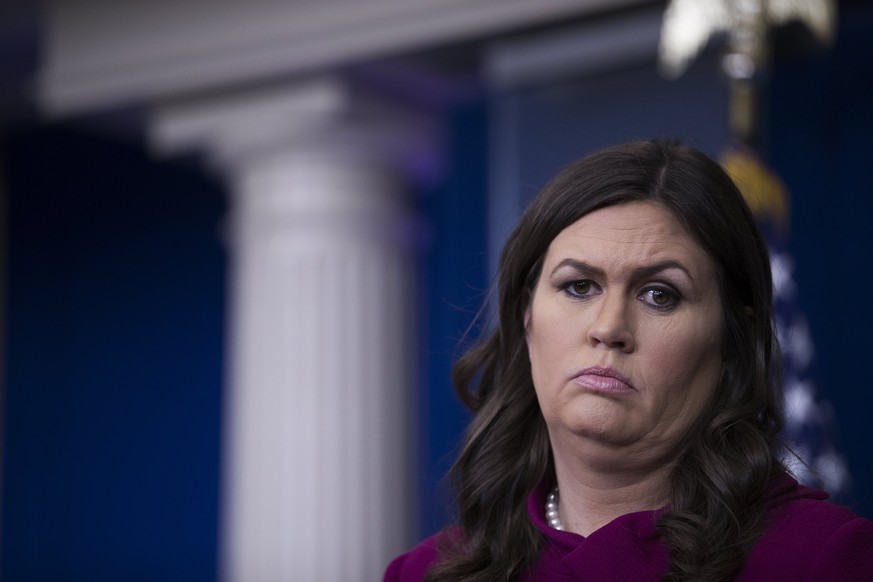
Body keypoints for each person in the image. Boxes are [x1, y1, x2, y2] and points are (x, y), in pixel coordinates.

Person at [385, 139, 873, 581]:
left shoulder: (824, 560)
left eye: (660, 295)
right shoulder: (423, 573)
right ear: (526, 317)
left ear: (732, 339)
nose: (609, 327)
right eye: (579, 286)